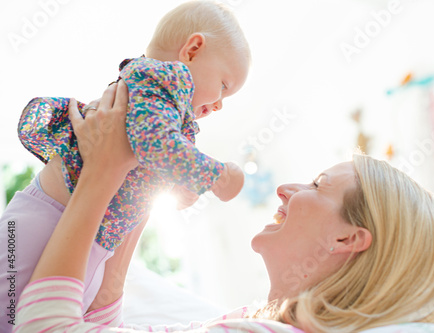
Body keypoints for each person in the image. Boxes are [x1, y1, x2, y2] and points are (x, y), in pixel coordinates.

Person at [13, 82, 434, 332]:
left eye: (318, 185)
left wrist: (101, 176)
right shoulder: (249, 320)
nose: (286, 188)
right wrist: (134, 191)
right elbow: (102, 319)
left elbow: (43, 328)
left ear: (347, 238)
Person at [0, 1, 250, 330]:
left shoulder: (165, 106)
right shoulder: (157, 81)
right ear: (192, 49)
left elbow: (145, 164)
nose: (218, 104)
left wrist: (178, 186)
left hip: (86, 235)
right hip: (47, 216)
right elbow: (155, 146)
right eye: (223, 86)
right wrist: (216, 176)